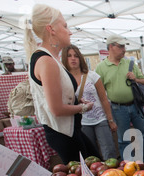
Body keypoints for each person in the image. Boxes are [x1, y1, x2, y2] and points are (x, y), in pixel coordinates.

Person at [24, 4, 100, 164]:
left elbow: (55, 97)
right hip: (63, 133)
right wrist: (84, 108)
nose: (69, 31)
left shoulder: (51, 59)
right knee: (89, 175)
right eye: (65, 26)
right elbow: (56, 109)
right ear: (51, 29)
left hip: (70, 130)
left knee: (97, 165)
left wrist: (76, 101)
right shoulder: (46, 61)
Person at [95, 34, 144, 162]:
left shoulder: (130, 63)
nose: (124, 49)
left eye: (124, 46)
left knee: (143, 136)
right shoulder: (101, 68)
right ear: (111, 47)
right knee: (123, 140)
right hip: (117, 109)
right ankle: (127, 166)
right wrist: (109, 118)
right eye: (121, 46)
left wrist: (135, 79)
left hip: (136, 105)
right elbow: (99, 94)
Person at [62, 44, 118, 160]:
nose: (73, 58)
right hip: (82, 122)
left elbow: (103, 99)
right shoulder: (64, 79)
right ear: (64, 58)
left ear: (80, 58)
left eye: (76, 56)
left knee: (109, 152)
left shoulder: (92, 76)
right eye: (69, 56)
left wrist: (110, 120)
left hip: (100, 118)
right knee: (90, 155)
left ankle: (113, 175)